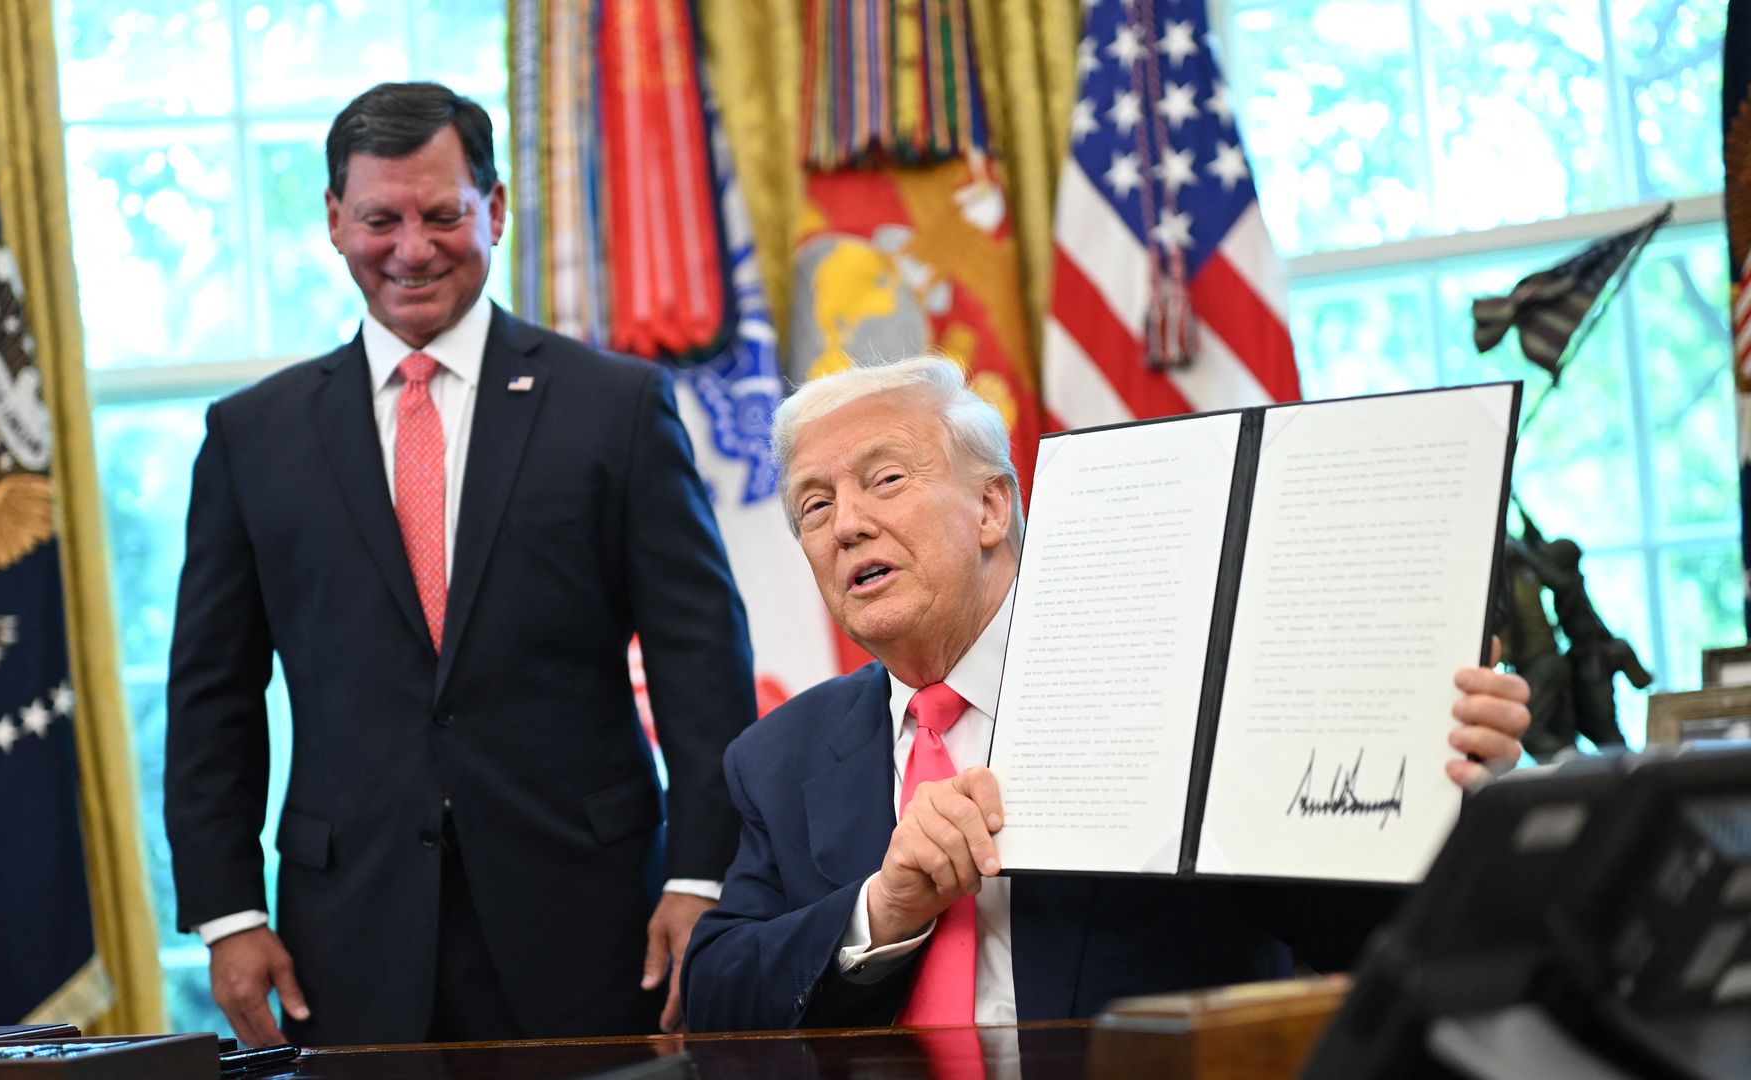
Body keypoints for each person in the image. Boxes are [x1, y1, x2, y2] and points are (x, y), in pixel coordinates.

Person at [681, 357, 1531, 1031]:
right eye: (815, 505)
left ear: (990, 508)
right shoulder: (777, 756)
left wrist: (1446, 794)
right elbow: (718, 991)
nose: (848, 524)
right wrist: (885, 908)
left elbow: (1361, 937)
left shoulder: (1177, 676)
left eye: (885, 480)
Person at [164, 82, 756, 1047]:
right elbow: (212, 696)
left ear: (497, 209)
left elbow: (702, 662)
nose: (410, 248)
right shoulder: (251, 437)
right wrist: (228, 911)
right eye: (379, 219)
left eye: (443, 215)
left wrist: (703, 879)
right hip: (346, 937)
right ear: (331, 219)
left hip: (594, 918)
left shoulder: (615, 407)